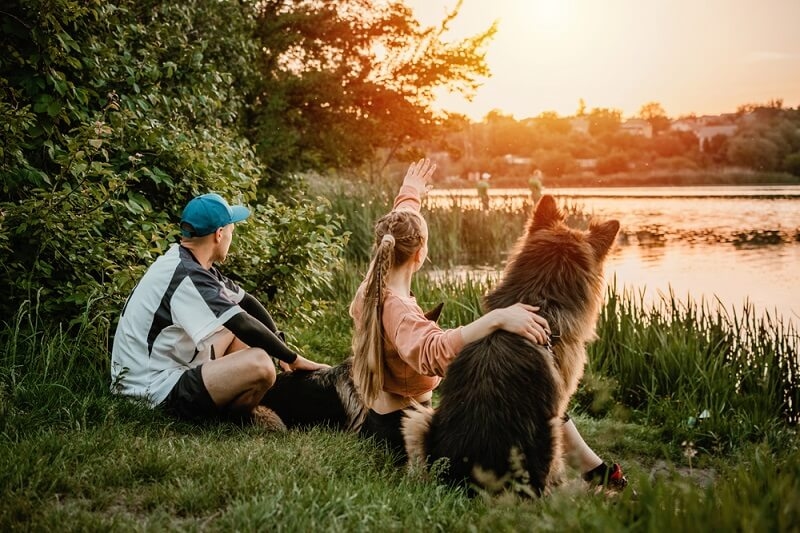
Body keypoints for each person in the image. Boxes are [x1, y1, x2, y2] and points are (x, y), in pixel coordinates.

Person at [349, 159, 627, 490]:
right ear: (419, 254)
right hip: (394, 430)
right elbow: (431, 350)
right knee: (546, 408)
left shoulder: (375, 279)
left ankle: (596, 471)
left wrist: (411, 193)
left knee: (535, 399)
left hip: (381, 415)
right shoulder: (398, 311)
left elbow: (399, 227)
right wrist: (497, 317)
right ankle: (593, 475)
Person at [111, 192, 327, 427]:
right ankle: (233, 419)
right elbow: (242, 322)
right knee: (261, 364)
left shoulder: (190, 263)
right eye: (232, 231)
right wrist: (294, 359)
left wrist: (280, 347)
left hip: (164, 372)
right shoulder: (187, 275)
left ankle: (235, 408)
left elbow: (247, 303)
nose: (232, 237)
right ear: (219, 233)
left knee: (247, 336)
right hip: (150, 392)